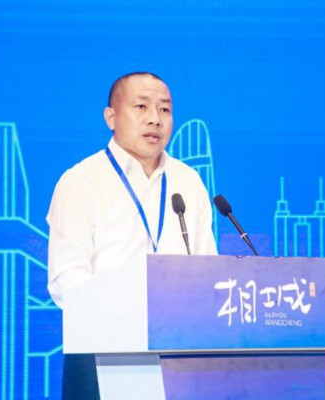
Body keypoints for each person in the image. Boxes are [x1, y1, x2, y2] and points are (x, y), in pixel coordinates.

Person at [46, 72, 217, 400]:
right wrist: (133, 311)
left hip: (179, 354)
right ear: (111, 117)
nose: (155, 119)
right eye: (141, 107)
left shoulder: (188, 181)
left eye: (165, 109)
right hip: (102, 354)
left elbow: (207, 270)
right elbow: (66, 282)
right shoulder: (80, 181)